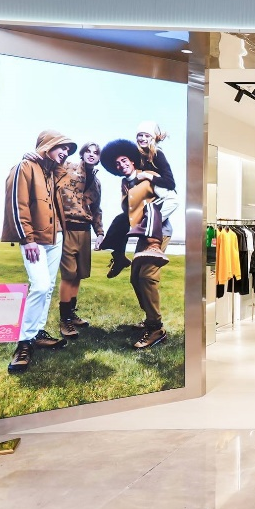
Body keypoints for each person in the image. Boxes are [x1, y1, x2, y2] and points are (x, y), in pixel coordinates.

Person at [1, 130, 76, 373]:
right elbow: (17, 204)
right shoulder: (24, 167)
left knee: (49, 287)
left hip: (56, 238)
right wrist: (27, 239)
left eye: (68, 150)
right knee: (40, 286)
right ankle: (24, 342)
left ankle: (37, 333)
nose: (65, 152)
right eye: (62, 147)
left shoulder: (53, 172)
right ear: (48, 145)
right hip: (34, 240)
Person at [100, 138, 169, 349]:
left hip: (158, 233)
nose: (121, 165)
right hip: (142, 236)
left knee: (147, 277)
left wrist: (153, 222)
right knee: (135, 279)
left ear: (131, 160)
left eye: (124, 160)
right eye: (117, 164)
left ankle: (156, 328)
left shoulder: (149, 177)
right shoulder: (125, 184)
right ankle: (150, 319)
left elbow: (171, 200)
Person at [98, 122, 177, 278]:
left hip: (161, 192)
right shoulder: (138, 156)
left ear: (153, 138)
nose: (142, 138)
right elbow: (131, 173)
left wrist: (147, 176)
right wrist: (129, 181)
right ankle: (119, 257)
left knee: (146, 277)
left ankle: (153, 243)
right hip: (145, 201)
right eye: (140, 135)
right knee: (120, 220)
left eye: (146, 135)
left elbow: (170, 183)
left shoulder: (157, 154)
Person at [54, 141, 104, 338]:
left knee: (78, 275)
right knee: (68, 275)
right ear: (82, 154)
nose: (91, 155)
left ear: (99, 158)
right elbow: (47, 170)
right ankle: (64, 320)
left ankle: (71, 313)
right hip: (67, 228)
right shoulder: (67, 167)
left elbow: (96, 209)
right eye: (88, 151)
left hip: (85, 231)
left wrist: (100, 233)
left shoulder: (97, 183)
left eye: (96, 153)